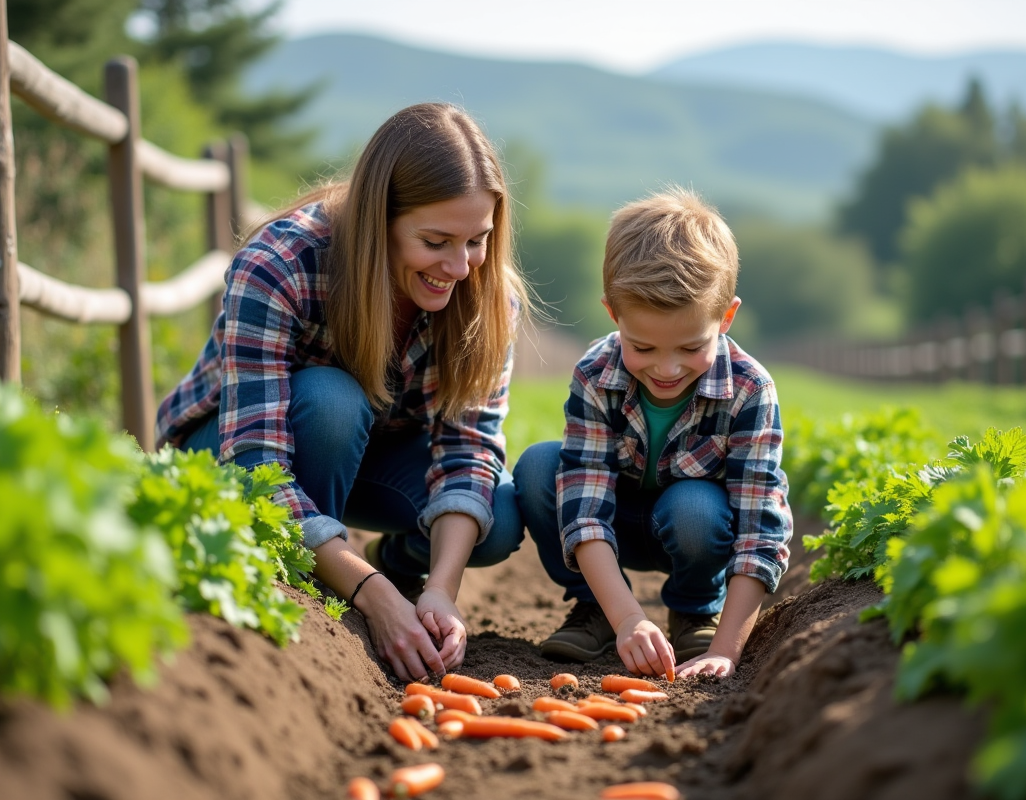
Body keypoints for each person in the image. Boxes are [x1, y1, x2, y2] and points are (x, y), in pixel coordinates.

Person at [155, 103, 531, 683]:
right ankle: (316, 585)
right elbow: (258, 467)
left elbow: (469, 448)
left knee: (498, 515)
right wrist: (371, 596)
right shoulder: (280, 264)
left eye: (477, 240)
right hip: (235, 455)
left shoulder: (486, 295)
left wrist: (442, 588)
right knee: (332, 400)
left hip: (365, 459)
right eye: (435, 241)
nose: (459, 267)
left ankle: (381, 567)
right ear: (379, 220)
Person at [513, 188, 792, 680]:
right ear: (613, 315)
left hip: (690, 532)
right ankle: (596, 608)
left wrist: (727, 650)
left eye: (690, 346)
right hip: (612, 525)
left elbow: (760, 531)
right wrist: (629, 618)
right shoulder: (596, 374)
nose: (667, 368)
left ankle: (695, 610)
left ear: (725, 317)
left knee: (694, 507)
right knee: (539, 467)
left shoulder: (749, 390)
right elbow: (584, 503)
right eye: (642, 346)